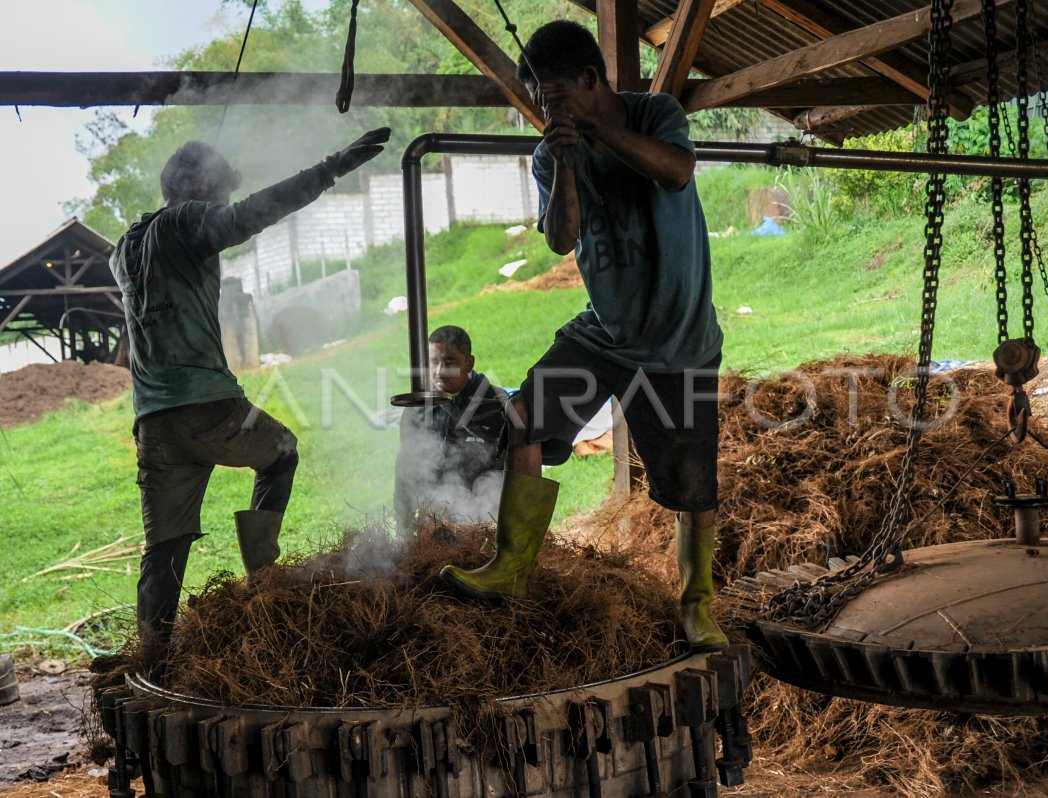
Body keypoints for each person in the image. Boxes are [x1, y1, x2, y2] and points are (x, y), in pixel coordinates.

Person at [439, 21, 727, 650]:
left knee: (692, 486)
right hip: (605, 333)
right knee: (523, 417)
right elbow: (562, 237)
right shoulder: (549, 154)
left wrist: (598, 131)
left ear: (590, 80)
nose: (544, 109)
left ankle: (698, 603)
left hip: (678, 341)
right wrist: (568, 157)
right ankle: (511, 569)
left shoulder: (656, 114)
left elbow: (677, 171)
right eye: (539, 98)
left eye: (552, 95)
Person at [110, 128, 390, 663]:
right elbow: (250, 215)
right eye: (217, 191)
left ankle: (152, 658)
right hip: (208, 405)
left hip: (154, 422)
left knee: (164, 548)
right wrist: (332, 165)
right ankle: (265, 581)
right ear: (194, 185)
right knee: (281, 452)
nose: (222, 202)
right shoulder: (186, 219)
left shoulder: (124, 249)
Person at [394, 325, 509, 527]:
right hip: (434, 520)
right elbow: (406, 471)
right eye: (433, 362)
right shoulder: (417, 409)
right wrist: (404, 529)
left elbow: (513, 471)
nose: (439, 371)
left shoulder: (496, 404)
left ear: (468, 363)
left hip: (486, 518)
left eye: (449, 362)